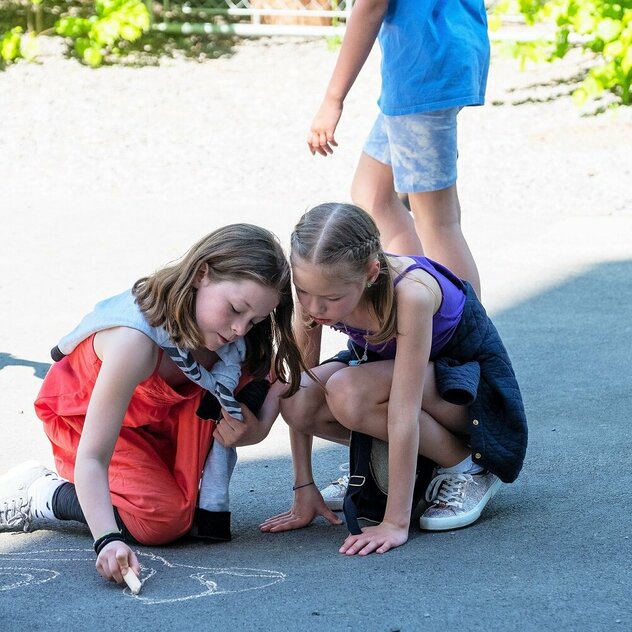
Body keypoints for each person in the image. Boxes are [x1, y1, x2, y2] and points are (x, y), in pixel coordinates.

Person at [0, 224, 305, 587]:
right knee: (163, 521)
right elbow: (93, 456)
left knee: (185, 514)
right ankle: (44, 493)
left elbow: (272, 379)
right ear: (201, 273)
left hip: (162, 416)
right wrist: (107, 539)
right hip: (84, 421)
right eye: (235, 310)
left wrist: (257, 427)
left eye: (253, 319)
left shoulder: (226, 334)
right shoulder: (135, 342)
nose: (241, 329)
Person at [260, 203, 527, 556]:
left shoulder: (411, 293)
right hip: (391, 378)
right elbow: (299, 380)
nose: (314, 308)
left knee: (347, 391)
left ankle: (467, 467)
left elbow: (403, 411)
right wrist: (303, 487)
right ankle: (383, 466)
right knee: (298, 398)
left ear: (371, 273)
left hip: (468, 394)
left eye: (331, 298)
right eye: (303, 291)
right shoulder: (318, 285)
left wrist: (394, 522)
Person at [307, 0, 490, 297]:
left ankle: (467, 336)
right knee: (371, 193)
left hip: (423, 73)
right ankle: (416, 295)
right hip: (440, 59)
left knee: (437, 222)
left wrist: (333, 99)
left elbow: (370, 7)